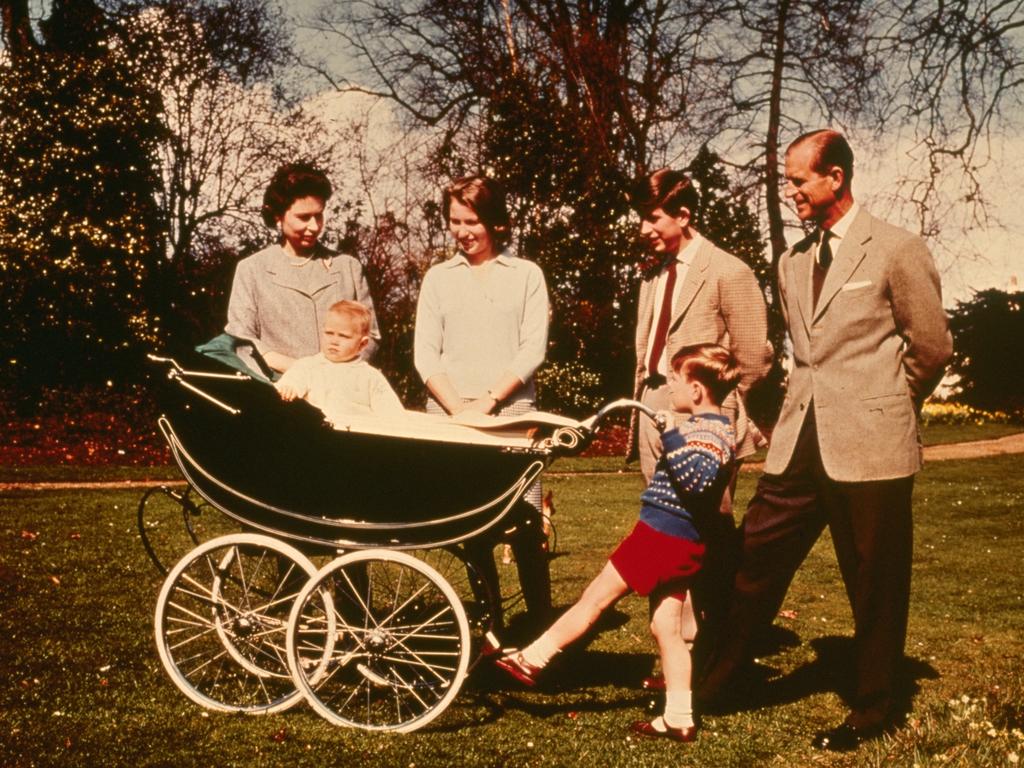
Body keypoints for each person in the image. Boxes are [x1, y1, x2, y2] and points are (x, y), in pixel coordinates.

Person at [697, 129, 953, 752]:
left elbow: (932, 348)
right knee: (752, 558)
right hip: (798, 441)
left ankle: (874, 707)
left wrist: (885, 405)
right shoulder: (791, 262)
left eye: (799, 180)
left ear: (835, 177)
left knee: (874, 578)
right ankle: (708, 687)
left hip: (872, 444)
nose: (790, 193)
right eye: (787, 182)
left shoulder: (896, 248)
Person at [494, 344, 739, 744]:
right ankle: (679, 716)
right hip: (679, 542)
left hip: (660, 538)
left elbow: (698, 480)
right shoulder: (712, 427)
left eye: (674, 380)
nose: (669, 387)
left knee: (593, 601)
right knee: (667, 629)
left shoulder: (709, 431)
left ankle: (531, 658)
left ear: (696, 389)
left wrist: (671, 435)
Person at [627, 167, 772, 674]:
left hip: (703, 423)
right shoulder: (651, 275)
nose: (644, 228)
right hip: (654, 414)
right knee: (663, 530)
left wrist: (716, 415)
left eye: (653, 217)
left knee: (709, 530)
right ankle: (674, 652)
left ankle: (718, 649)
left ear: (684, 215)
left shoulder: (729, 271)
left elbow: (753, 357)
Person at [413, 174, 551, 629]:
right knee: (470, 527)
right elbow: (425, 356)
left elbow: (532, 349)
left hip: (511, 414)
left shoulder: (526, 275)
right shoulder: (438, 279)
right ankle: (491, 627)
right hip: (453, 417)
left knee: (526, 525)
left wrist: (489, 403)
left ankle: (540, 625)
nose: (462, 231)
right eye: (454, 221)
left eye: (471, 220)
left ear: (494, 221)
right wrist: (460, 411)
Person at [226, 162, 380, 374]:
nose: (314, 226)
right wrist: (305, 372)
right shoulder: (252, 270)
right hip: (278, 393)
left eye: (319, 215)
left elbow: (370, 335)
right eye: (303, 217)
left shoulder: (348, 268)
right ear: (278, 216)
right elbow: (244, 342)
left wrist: (342, 373)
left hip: (343, 390)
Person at [275, 300, 404, 423]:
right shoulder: (307, 366)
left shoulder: (371, 377)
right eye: (329, 333)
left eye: (343, 336)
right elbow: (289, 384)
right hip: (316, 433)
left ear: (362, 344)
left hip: (355, 437)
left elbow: (392, 415)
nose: (334, 341)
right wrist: (288, 388)